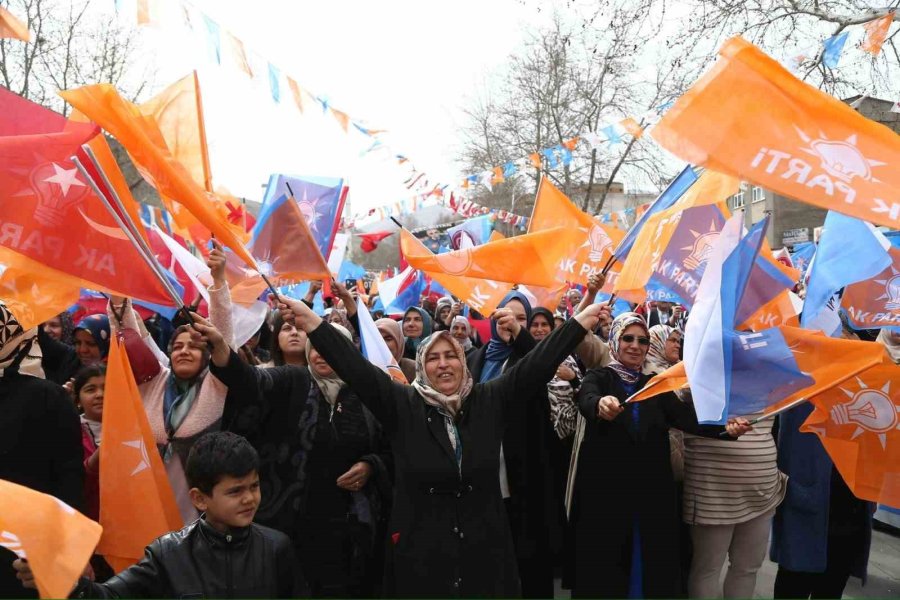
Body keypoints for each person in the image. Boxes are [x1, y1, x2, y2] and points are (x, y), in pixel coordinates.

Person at [226, 292, 609, 596]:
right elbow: (355, 368)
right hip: (421, 560)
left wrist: (577, 324)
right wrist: (312, 323)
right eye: (434, 358)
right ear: (422, 366)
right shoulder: (401, 405)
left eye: (452, 357)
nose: (444, 365)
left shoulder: (490, 400)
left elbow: (536, 365)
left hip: (485, 558)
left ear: (464, 361)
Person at [205, 319, 392, 597]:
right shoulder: (293, 380)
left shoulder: (368, 395)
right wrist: (221, 348)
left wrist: (370, 465)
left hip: (347, 533)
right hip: (288, 526)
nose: (320, 354)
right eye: (314, 347)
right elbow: (250, 380)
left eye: (330, 347)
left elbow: (391, 448)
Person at [570, 313, 750, 598]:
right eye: (628, 338)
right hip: (607, 495)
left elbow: (690, 419)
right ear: (615, 341)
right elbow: (586, 397)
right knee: (608, 565)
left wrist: (727, 429)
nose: (635, 346)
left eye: (642, 340)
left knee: (648, 564)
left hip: (651, 495)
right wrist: (600, 404)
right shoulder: (600, 376)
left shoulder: (654, 384)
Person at [13, 432, 305, 598]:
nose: (249, 499)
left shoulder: (276, 547)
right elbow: (109, 597)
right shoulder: (169, 552)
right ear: (199, 499)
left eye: (254, 487)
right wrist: (65, 581)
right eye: (235, 491)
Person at [106, 241, 234, 523]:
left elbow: (223, 336)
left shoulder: (215, 384)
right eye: (177, 346)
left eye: (193, 346)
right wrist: (118, 291)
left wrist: (219, 280)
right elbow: (129, 332)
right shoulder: (156, 378)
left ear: (207, 353)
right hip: (145, 503)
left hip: (198, 513)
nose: (184, 351)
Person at [466, 291, 565, 597]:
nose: (510, 322)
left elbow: (541, 361)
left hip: (523, 478)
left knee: (531, 564)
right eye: (504, 315)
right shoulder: (475, 359)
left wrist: (522, 336)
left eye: (521, 318)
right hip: (481, 479)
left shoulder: (528, 358)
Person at [0, 302, 83, 599]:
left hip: (29, 557)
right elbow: (70, 481)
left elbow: (68, 480)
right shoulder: (51, 397)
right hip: (31, 552)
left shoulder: (48, 398)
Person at [770, 404, 874, 599]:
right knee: (794, 582)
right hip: (806, 505)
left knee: (832, 585)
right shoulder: (801, 390)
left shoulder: (866, 389)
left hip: (851, 509)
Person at [376, 317, 418, 382]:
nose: (382, 344)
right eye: (377, 339)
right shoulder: (364, 368)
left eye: (388, 339)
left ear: (399, 341)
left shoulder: (414, 369)